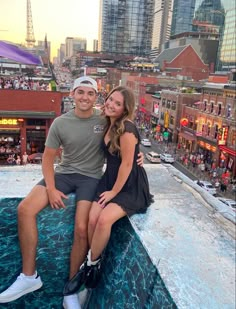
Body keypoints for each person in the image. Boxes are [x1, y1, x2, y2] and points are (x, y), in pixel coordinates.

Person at [0, 77, 143, 309]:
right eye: (80, 92)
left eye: (90, 93)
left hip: (91, 179)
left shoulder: (105, 119)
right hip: (63, 175)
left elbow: (127, 138)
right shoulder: (60, 123)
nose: (85, 97)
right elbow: (47, 160)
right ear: (72, 95)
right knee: (25, 209)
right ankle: (29, 276)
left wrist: (139, 155)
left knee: (81, 228)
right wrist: (52, 188)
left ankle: (71, 289)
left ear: (96, 97)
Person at [63, 86, 153, 294]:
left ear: (125, 109)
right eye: (110, 99)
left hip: (129, 185)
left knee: (104, 220)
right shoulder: (105, 121)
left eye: (118, 103)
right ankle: (95, 258)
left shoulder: (127, 129)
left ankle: (90, 268)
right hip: (109, 179)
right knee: (92, 219)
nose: (111, 104)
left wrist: (113, 193)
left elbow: (127, 165)